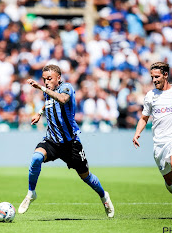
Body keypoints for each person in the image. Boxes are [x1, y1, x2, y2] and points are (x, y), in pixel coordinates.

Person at [18, 64, 114, 218]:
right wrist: (40, 113)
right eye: (44, 80)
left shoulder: (67, 88)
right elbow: (49, 101)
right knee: (36, 158)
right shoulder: (48, 92)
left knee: (86, 177)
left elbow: (62, 100)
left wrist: (41, 88)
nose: (46, 82)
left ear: (59, 78)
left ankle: (104, 196)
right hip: (52, 141)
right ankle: (31, 192)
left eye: (49, 79)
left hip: (71, 144)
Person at [132, 62, 172, 217]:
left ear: (166, 75)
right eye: (152, 77)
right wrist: (137, 133)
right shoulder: (150, 96)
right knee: (168, 180)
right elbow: (144, 118)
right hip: (160, 142)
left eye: (157, 76)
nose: (154, 80)